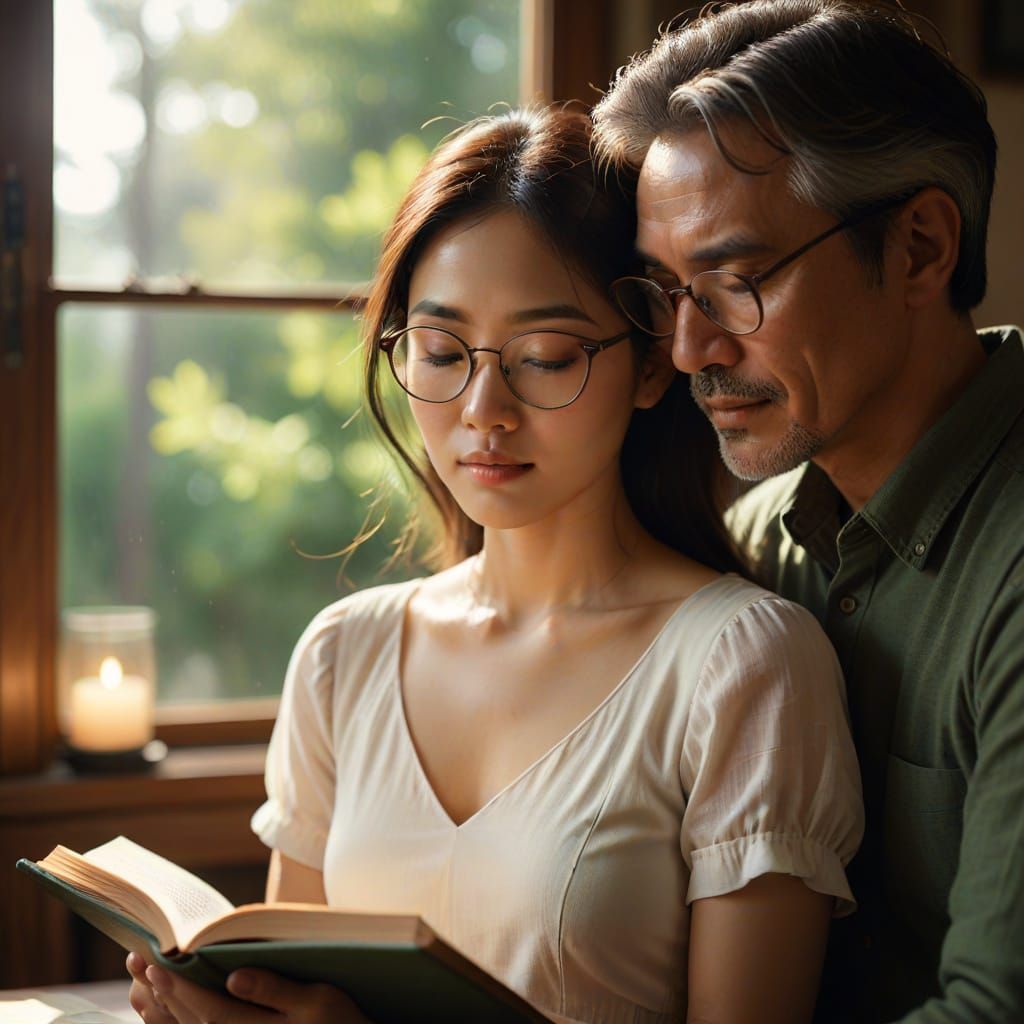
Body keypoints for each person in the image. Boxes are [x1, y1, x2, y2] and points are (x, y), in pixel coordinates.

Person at [126, 106, 862, 1024]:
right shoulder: (344, 655)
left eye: (545, 358)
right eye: (439, 352)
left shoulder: (744, 665)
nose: (484, 409)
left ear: (648, 366)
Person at [591, 2, 1023, 1022]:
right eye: (664, 292)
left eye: (735, 282)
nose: (689, 349)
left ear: (919, 247)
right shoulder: (752, 546)